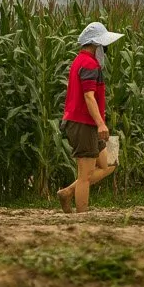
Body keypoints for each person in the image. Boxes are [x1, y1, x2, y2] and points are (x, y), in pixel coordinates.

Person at [57, 20, 119, 212]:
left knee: (110, 162)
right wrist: (101, 124)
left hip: (89, 123)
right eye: (104, 46)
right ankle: (82, 219)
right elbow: (88, 97)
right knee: (85, 174)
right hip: (83, 123)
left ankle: (67, 192)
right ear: (96, 45)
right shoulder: (89, 64)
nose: (106, 50)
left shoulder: (82, 61)